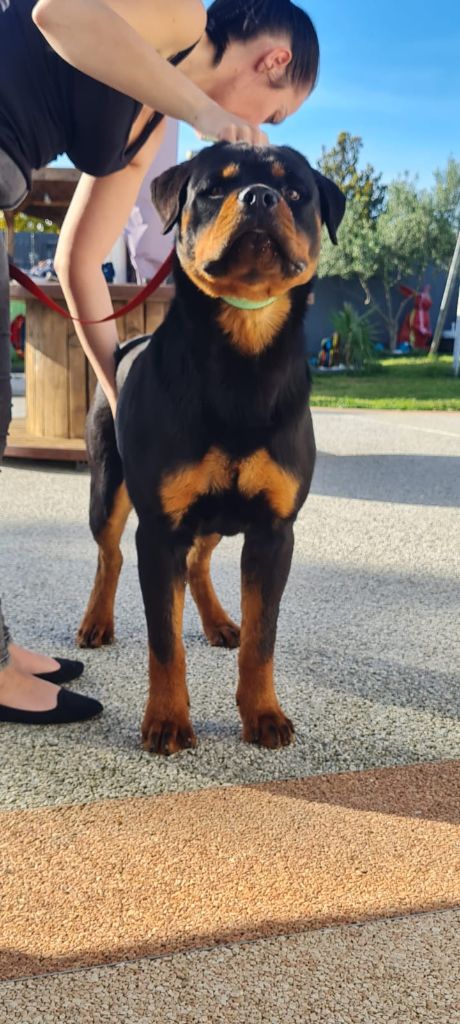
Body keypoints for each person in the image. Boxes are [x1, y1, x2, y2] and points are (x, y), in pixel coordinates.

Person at [0, 0, 319, 722]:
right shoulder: (180, 16)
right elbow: (57, 12)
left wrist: (119, 397)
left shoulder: (147, 121)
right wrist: (202, 111)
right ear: (273, 61)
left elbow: (77, 260)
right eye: (274, 114)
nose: (263, 133)